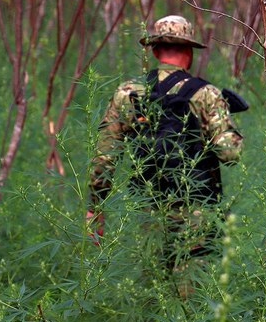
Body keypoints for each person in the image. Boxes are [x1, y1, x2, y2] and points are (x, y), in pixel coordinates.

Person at [87, 15, 244, 294]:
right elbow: (230, 153)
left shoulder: (128, 93)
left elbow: (105, 156)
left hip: (148, 208)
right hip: (197, 209)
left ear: (156, 51)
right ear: (189, 53)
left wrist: (95, 207)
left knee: (153, 292)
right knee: (193, 293)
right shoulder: (207, 94)